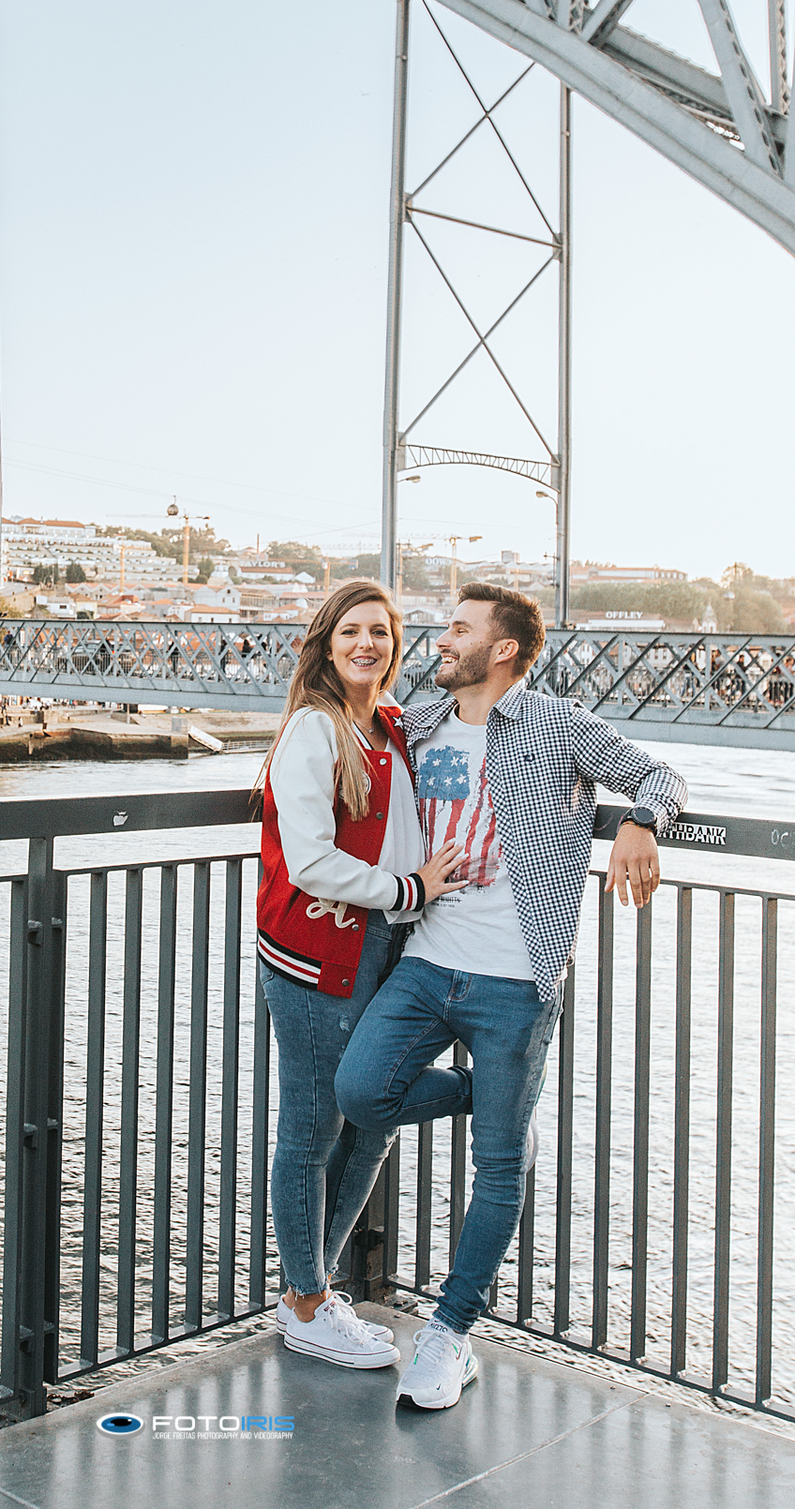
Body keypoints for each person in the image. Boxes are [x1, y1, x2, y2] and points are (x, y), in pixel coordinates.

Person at [335, 584, 687, 1409]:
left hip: (517, 979)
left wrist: (639, 821)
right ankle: (490, 1097)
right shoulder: (417, 722)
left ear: (501, 650)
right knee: (362, 1091)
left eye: (459, 628)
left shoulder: (559, 724)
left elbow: (659, 773)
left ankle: (451, 1331)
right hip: (426, 962)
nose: (440, 638)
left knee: (496, 1167)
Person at [256, 580, 464, 1370]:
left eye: (380, 631)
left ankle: (310, 1292)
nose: (366, 644)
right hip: (315, 949)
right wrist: (409, 890)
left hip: (384, 944)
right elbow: (310, 861)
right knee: (314, 1126)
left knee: (372, 1115)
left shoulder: (394, 723)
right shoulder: (315, 728)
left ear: (395, 645)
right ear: (326, 643)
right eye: (350, 631)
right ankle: (308, 1302)